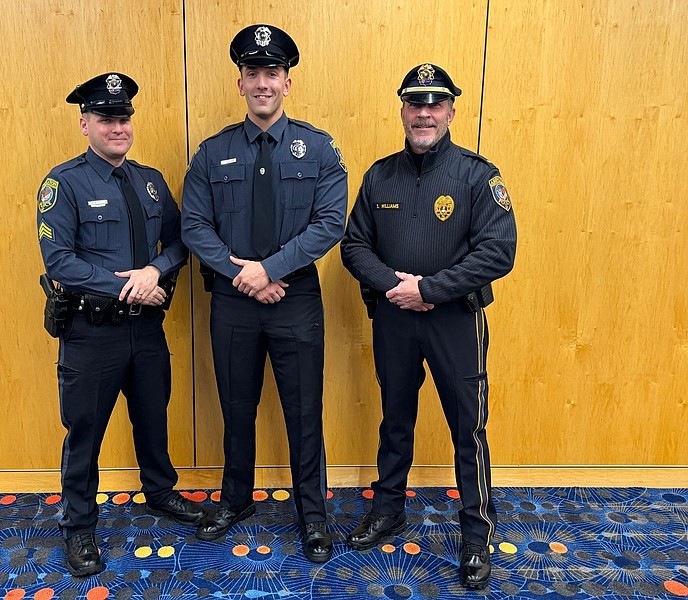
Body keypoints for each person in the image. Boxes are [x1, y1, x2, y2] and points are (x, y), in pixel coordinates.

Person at [340, 63, 517, 589]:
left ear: (451, 112)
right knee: (395, 419)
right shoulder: (380, 175)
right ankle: (388, 510)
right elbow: (354, 245)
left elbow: (499, 251)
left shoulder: (477, 175)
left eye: (435, 104)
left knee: (469, 429)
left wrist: (430, 290)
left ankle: (475, 534)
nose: (424, 113)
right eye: (415, 104)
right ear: (402, 110)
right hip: (395, 318)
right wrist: (398, 285)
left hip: (455, 321)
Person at [181, 25, 348, 563]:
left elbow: (329, 224)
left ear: (287, 82)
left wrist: (269, 269)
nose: (262, 83)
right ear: (240, 83)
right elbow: (195, 227)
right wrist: (244, 274)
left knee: (304, 411)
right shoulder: (213, 152)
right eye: (252, 74)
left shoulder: (319, 149)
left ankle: (312, 516)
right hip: (232, 300)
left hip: (295, 299)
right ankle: (235, 501)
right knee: (236, 406)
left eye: (271, 73)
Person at [37, 72, 204, 576]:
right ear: (84, 123)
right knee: (84, 431)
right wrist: (125, 285)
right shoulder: (62, 183)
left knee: (153, 417)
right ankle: (79, 526)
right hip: (92, 333)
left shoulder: (150, 180)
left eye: (124, 117)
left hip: (146, 328)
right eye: (107, 118)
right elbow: (59, 260)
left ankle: (160, 491)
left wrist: (156, 270)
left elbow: (182, 240)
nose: (118, 126)